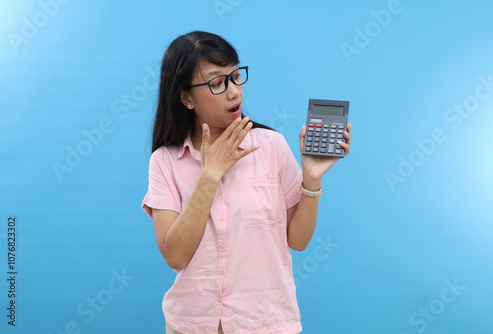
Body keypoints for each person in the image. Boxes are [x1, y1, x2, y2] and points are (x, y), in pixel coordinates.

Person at [141, 31, 351, 334]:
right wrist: (209, 176)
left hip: (265, 323)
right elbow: (175, 255)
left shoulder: (271, 146)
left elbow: (298, 241)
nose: (234, 92)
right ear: (186, 97)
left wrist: (312, 179)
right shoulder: (165, 161)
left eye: (236, 76)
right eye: (217, 83)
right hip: (192, 325)